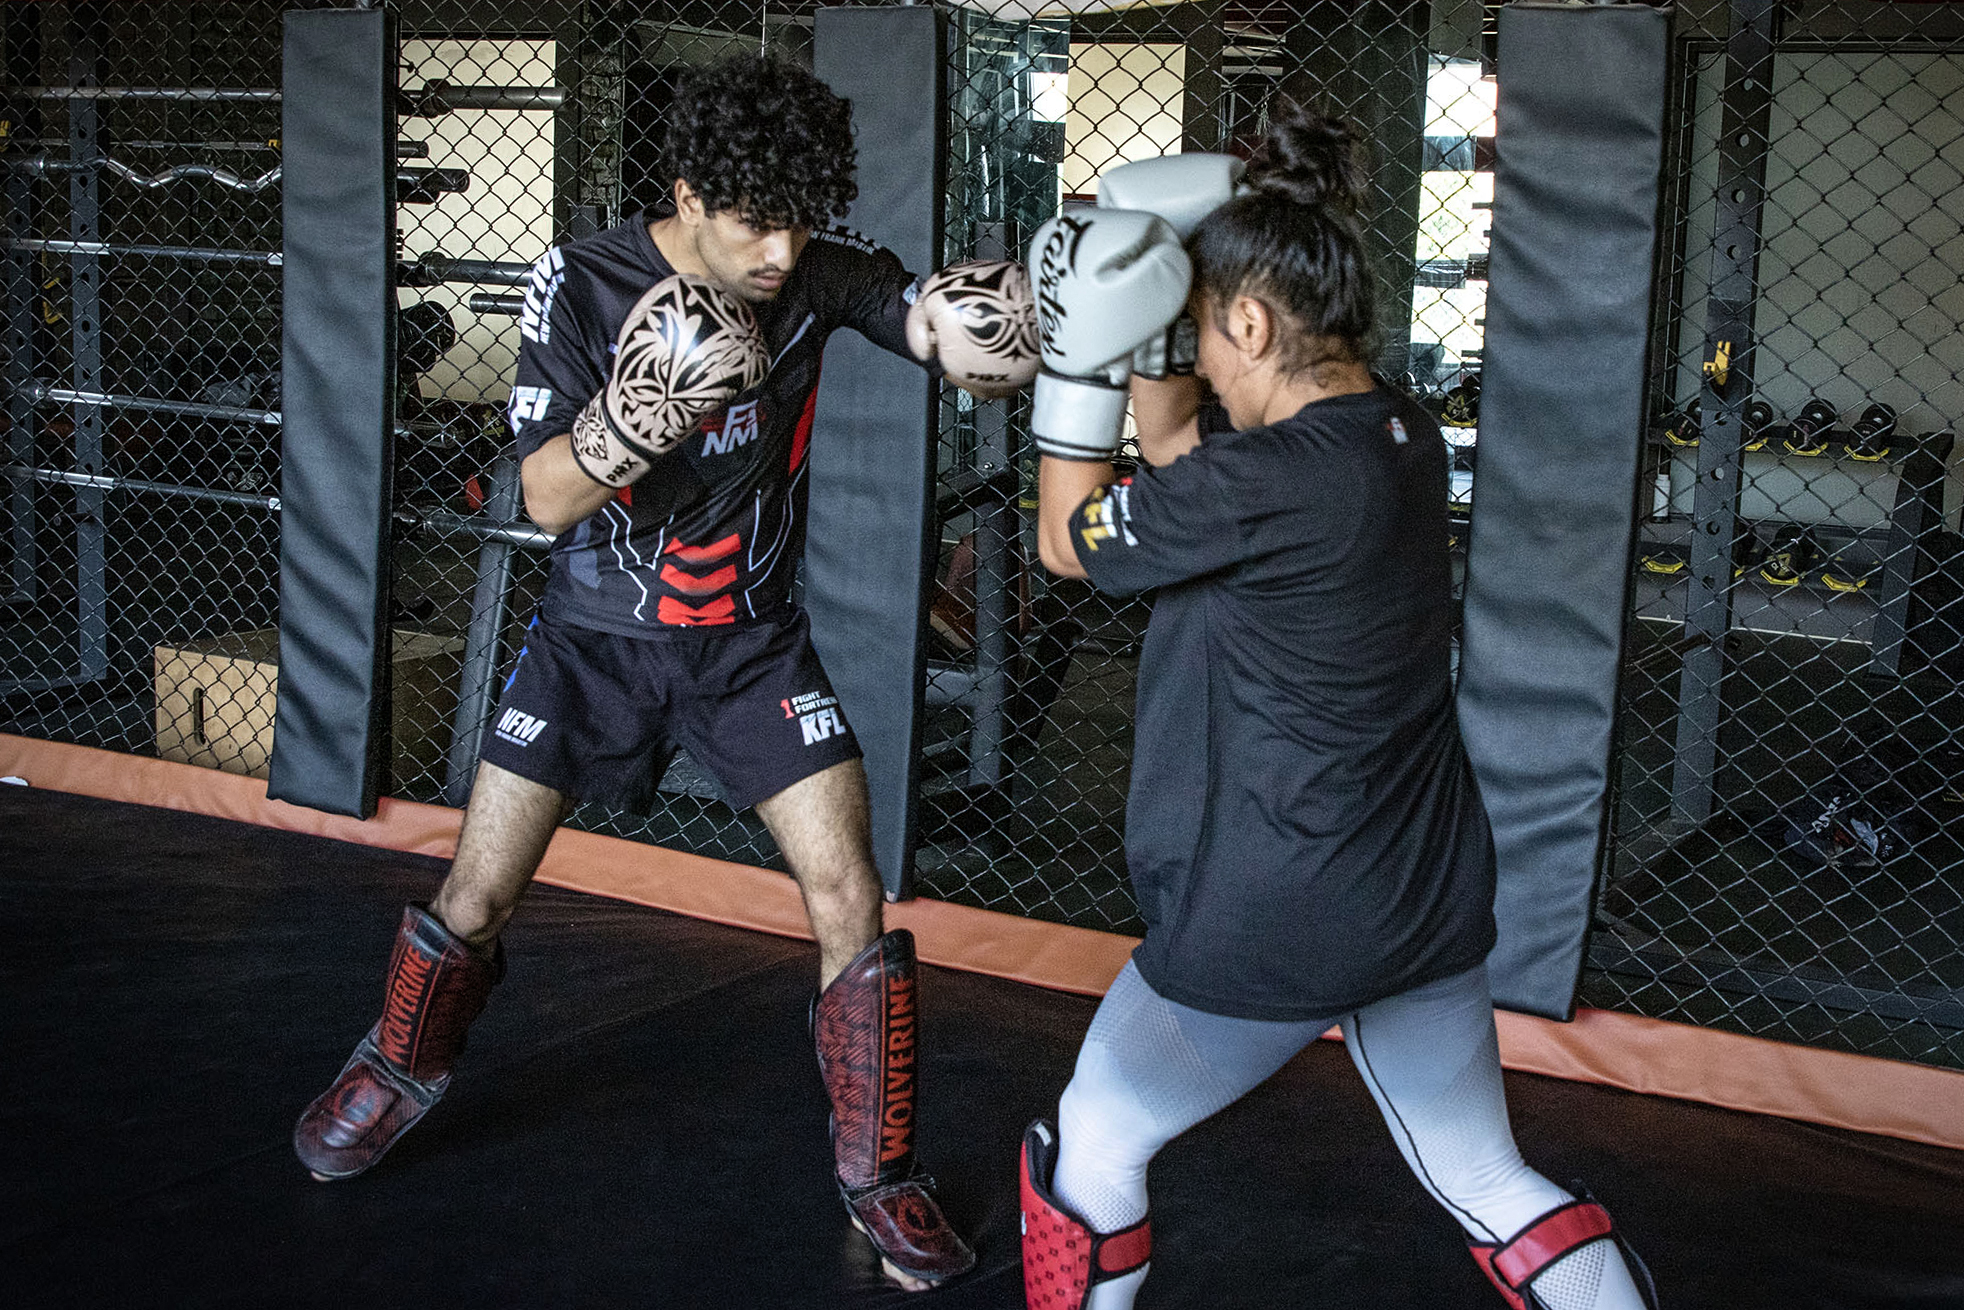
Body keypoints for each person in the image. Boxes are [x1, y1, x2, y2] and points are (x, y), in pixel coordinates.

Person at [293, 51, 1038, 1293]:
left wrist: (1004, 323)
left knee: (849, 893)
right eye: (754, 224)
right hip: (591, 640)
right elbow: (535, 495)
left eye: (800, 223)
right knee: (476, 891)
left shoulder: (810, 271)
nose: (778, 254)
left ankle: (878, 1173)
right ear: (687, 195)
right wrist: (638, 411)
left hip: (752, 647)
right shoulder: (579, 282)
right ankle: (393, 1065)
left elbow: (921, 323)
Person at [1015, 106, 1659, 1310]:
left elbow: (1062, 539)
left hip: (1278, 904)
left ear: (1251, 323)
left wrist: (1072, 356)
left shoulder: (1265, 481)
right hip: (1416, 891)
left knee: (1090, 1144)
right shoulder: (1395, 433)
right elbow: (1174, 459)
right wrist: (1154, 333)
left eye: (1207, 337)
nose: (1201, 363)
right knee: (1481, 1168)